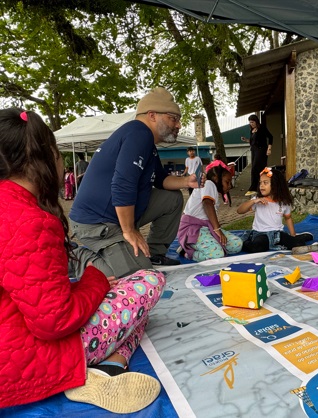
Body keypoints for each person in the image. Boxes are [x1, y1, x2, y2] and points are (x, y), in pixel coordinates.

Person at [0, 108, 164, 413]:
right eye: (58, 152)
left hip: (13, 335)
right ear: (45, 157)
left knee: (135, 315)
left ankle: (112, 366)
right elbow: (54, 321)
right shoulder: (30, 221)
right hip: (26, 359)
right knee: (148, 281)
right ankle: (100, 365)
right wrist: (95, 282)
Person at [69, 87, 202, 278]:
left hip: (116, 215)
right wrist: (129, 230)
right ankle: (75, 257)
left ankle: (155, 254)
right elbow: (123, 184)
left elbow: (162, 180)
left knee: (172, 199)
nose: (179, 125)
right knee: (136, 276)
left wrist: (187, 181)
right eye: (173, 118)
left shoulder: (147, 142)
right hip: (96, 222)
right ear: (152, 115)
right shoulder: (139, 133)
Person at [237, 167, 314, 253]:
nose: (261, 185)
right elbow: (240, 211)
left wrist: (293, 236)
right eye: (260, 183)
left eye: (265, 183)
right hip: (261, 234)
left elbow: (288, 218)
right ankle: (243, 241)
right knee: (256, 248)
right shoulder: (257, 199)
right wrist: (254, 201)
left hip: (278, 234)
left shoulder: (284, 202)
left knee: (298, 244)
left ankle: (299, 237)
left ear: (275, 185)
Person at [177, 164, 242, 261]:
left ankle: (204, 245)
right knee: (217, 255)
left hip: (206, 228)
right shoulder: (208, 184)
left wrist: (215, 229)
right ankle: (187, 252)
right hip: (193, 229)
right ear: (216, 178)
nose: (230, 186)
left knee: (237, 244)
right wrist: (217, 229)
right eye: (227, 182)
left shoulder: (212, 189)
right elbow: (207, 204)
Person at [241, 114, 273, 196]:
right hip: (254, 150)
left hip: (261, 149)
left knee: (256, 167)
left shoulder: (261, 128)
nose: (251, 124)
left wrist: (269, 148)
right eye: (250, 122)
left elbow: (270, 137)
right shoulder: (251, 130)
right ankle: (257, 187)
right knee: (254, 169)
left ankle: (254, 188)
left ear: (256, 121)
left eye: (252, 122)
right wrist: (246, 140)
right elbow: (253, 142)